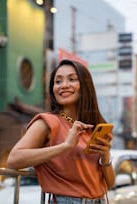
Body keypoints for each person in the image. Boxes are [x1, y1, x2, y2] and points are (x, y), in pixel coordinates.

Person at [7, 59, 115, 204]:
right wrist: (65, 146)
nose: (64, 86)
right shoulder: (48, 122)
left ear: (85, 85)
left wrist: (105, 156)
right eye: (58, 82)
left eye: (72, 79)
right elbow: (13, 159)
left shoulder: (94, 127)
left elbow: (110, 183)